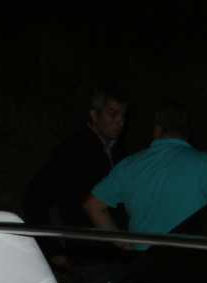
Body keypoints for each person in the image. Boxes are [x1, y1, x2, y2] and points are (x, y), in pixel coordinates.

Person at [83, 100, 207, 249]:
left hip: (144, 260)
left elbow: (93, 206)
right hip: (190, 258)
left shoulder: (129, 165)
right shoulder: (205, 163)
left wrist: (123, 243)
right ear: (186, 131)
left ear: (157, 129)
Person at [23, 86, 129, 270]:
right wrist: (53, 250)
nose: (120, 121)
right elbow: (34, 197)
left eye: (123, 115)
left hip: (117, 250)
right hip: (88, 252)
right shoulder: (72, 150)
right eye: (113, 114)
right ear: (94, 115)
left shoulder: (119, 150)